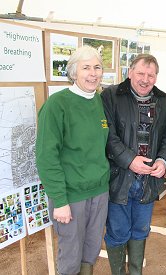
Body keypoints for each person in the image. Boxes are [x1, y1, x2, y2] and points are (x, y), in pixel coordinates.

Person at [36, 46, 109, 275]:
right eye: (85, 67)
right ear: (73, 72)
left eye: (97, 67)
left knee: (91, 250)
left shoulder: (100, 102)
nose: (92, 73)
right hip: (71, 195)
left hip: (99, 192)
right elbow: (47, 157)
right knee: (70, 255)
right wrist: (59, 201)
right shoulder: (57, 105)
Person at [101, 54, 166, 275]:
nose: (145, 79)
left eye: (150, 75)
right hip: (119, 179)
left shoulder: (164, 101)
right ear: (130, 72)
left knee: (141, 230)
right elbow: (108, 135)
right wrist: (129, 160)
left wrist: (163, 160)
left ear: (156, 77)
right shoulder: (111, 96)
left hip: (148, 182)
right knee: (117, 231)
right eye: (141, 73)